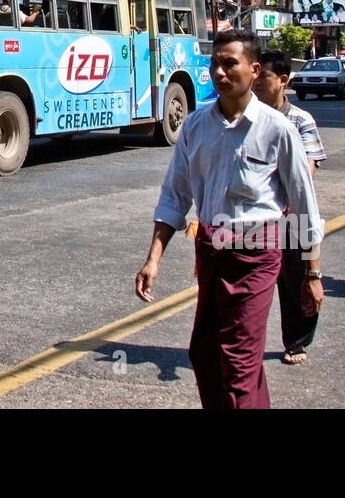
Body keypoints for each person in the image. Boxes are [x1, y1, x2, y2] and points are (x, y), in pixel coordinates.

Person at [135, 31, 324, 409]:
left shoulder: (278, 129)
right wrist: (153, 258)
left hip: (256, 252)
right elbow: (175, 194)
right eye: (215, 64)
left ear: (254, 70)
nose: (219, 72)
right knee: (205, 353)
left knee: (238, 359)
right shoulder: (195, 125)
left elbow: (305, 207)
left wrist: (311, 274)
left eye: (229, 64)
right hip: (211, 248)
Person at [254, 50, 327, 366]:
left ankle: (297, 341)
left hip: (292, 214)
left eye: (264, 76)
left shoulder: (299, 119)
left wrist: (290, 195)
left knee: (296, 277)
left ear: (283, 80)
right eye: (255, 74)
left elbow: (310, 163)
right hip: (256, 214)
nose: (257, 82)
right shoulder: (245, 116)